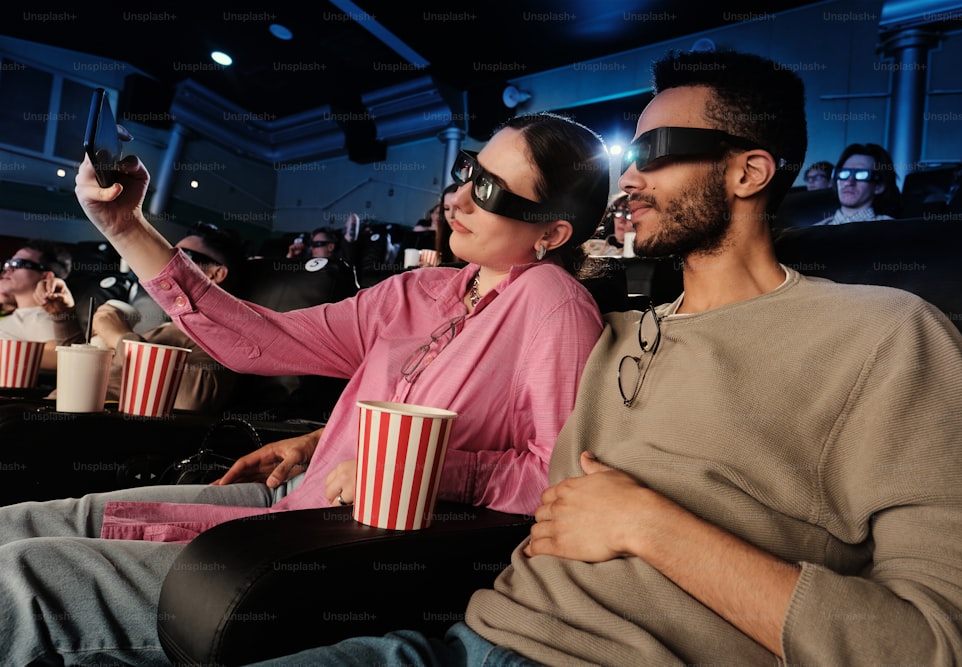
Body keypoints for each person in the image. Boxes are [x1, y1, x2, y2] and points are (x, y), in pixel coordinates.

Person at [247, 49, 962, 667]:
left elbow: (952, 643)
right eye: (626, 156)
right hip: (455, 640)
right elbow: (489, 422)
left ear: (748, 172)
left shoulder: (884, 332)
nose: (628, 179)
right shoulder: (606, 332)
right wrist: (324, 440)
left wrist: (653, 526)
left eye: (657, 153)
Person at [0, 111, 610, 665]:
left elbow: (553, 480)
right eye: (467, 172)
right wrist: (125, 225)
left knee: (24, 575)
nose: (457, 201)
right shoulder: (418, 293)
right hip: (293, 498)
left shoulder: (552, 303)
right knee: (34, 522)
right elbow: (256, 340)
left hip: (346, 544)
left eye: (489, 192)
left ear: (551, 234)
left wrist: (413, 473)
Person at [43, 226, 247, 413]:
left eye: (181, 258)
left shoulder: (224, 332)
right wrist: (62, 314)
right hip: (57, 408)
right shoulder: (168, 327)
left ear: (215, 273)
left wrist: (119, 336)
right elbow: (80, 370)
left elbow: (190, 401)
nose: (166, 264)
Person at [0, 239, 74, 341]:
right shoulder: (8, 320)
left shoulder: (57, 327)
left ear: (47, 276)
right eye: (9, 263)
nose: (8, 269)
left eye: (18, 263)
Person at [813, 143, 901, 225]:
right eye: (844, 173)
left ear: (879, 186)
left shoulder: (891, 229)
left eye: (861, 174)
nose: (849, 182)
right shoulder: (813, 232)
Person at [582, 191, 632, 257]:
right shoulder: (590, 247)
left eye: (628, 214)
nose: (621, 221)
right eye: (619, 213)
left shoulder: (644, 257)